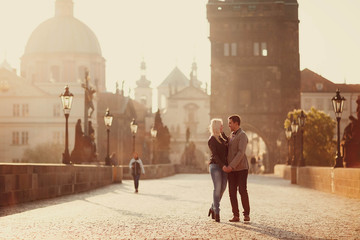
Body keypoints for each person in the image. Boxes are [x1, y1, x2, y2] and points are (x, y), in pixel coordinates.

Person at [223, 114, 251, 222]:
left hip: (241, 168)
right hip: (232, 169)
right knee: (232, 192)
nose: (229, 125)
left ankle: (246, 214)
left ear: (236, 123)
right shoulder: (231, 135)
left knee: (242, 190)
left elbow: (241, 153)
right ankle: (236, 215)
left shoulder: (242, 135)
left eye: (230, 123)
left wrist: (231, 166)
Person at [207, 118, 228, 222]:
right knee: (217, 188)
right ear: (216, 126)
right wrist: (222, 165)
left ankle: (212, 207)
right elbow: (215, 155)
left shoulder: (222, 138)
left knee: (223, 187)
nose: (222, 127)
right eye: (221, 125)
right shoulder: (211, 139)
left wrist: (223, 134)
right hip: (215, 166)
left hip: (223, 166)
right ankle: (217, 212)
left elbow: (228, 142)